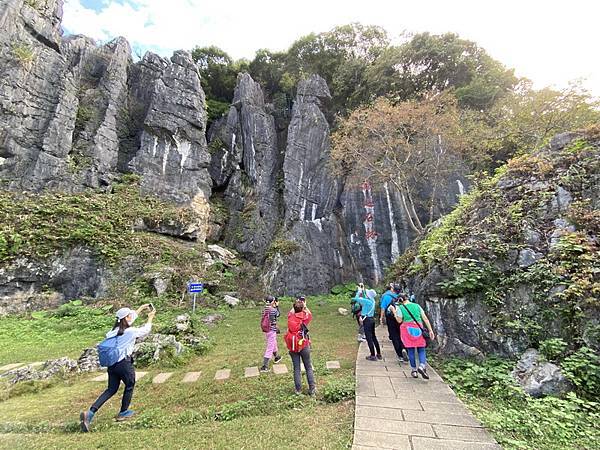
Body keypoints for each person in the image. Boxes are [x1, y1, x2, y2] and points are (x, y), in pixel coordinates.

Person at [80, 304, 155, 432]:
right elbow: (145, 330)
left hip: (112, 365)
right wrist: (150, 318)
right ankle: (123, 412)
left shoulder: (112, 332)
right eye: (129, 315)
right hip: (124, 364)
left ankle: (90, 413)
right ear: (125, 318)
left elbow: (129, 320)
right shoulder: (130, 332)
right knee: (130, 384)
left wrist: (141, 308)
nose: (131, 316)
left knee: (111, 389)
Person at [390, 294, 435, 379]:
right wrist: (430, 330)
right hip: (418, 328)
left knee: (410, 350)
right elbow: (425, 318)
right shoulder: (417, 306)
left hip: (407, 330)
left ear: (399, 300)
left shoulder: (400, 308)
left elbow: (399, 320)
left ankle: (414, 371)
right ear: (407, 298)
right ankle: (422, 365)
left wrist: (394, 312)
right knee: (421, 349)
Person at [285, 296, 316, 395]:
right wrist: (304, 306)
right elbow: (310, 314)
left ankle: (298, 390)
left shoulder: (290, 317)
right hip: (304, 344)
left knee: (296, 368)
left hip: (293, 346)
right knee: (308, 367)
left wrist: (296, 305)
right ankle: (312, 389)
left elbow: (291, 312)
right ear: (303, 308)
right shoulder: (305, 317)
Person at [353, 286, 381, 361]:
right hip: (372, 319)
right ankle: (378, 354)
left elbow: (355, 299)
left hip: (367, 320)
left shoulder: (366, 301)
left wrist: (359, 292)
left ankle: (372, 355)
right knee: (374, 337)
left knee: (369, 338)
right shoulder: (373, 301)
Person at [380, 283, 405, 362]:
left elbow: (383, 308)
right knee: (401, 334)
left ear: (392, 289)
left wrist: (381, 318)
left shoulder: (386, 296)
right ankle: (404, 349)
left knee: (394, 336)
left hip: (391, 318)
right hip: (400, 317)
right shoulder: (401, 297)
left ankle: (400, 355)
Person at [260, 295, 282, 372]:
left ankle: (277, 357)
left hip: (266, 330)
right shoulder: (273, 310)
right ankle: (264, 366)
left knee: (273, 343)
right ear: (273, 301)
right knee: (270, 347)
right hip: (271, 330)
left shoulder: (264, 309)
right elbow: (278, 314)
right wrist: (277, 306)